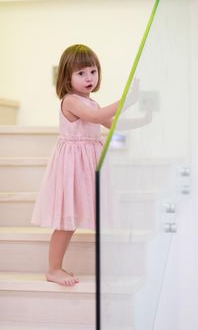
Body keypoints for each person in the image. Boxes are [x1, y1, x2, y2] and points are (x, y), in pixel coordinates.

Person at [31, 44, 119, 286]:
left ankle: (56, 267)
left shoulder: (93, 103)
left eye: (92, 71)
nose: (89, 77)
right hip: (72, 165)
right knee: (65, 221)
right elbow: (95, 119)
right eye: (81, 73)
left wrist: (144, 119)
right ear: (67, 78)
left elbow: (112, 123)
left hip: (85, 166)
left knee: (72, 219)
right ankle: (53, 269)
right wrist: (125, 100)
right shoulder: (70, 101)